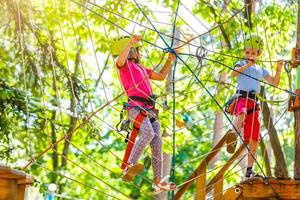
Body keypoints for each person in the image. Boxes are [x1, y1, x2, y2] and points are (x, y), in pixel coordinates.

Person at [111, 34, 177, 193]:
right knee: (147, 133)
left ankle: (158, 181)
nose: (140, 53)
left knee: (157, 142)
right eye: (137, 50)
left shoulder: (141, 68)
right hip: (134, 107)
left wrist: (169, 60)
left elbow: (161, 76)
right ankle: (129, 167)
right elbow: (119, 61)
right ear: (130, 51)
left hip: (150, 109)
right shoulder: (124, 65)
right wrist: (130, 43)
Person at [225, 34, 284, 178]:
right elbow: (233, 74)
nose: (249, 55)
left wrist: (279, 68)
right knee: (242, 112)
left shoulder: (261, 70)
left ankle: (249, 169)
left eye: (252, 53)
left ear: (259, 54)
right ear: (243, 52)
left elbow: (275, 83)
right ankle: (233, 134)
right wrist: (248, 64)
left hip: (254, 103)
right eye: (247, 52)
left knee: (254, 137)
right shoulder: (241, 63)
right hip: (241, 98)